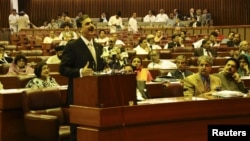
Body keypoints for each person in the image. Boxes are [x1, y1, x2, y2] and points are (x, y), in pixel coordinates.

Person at [59, 15, 105, 141]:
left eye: (92, 23)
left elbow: (98, 69)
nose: (91, 25)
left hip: (96, 95)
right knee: (78, 131)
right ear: (79, 29)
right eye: (87, 24)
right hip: (79, 95)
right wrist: (80, 72)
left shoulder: (99, 47)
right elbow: (63, 69)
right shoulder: (72, 46)